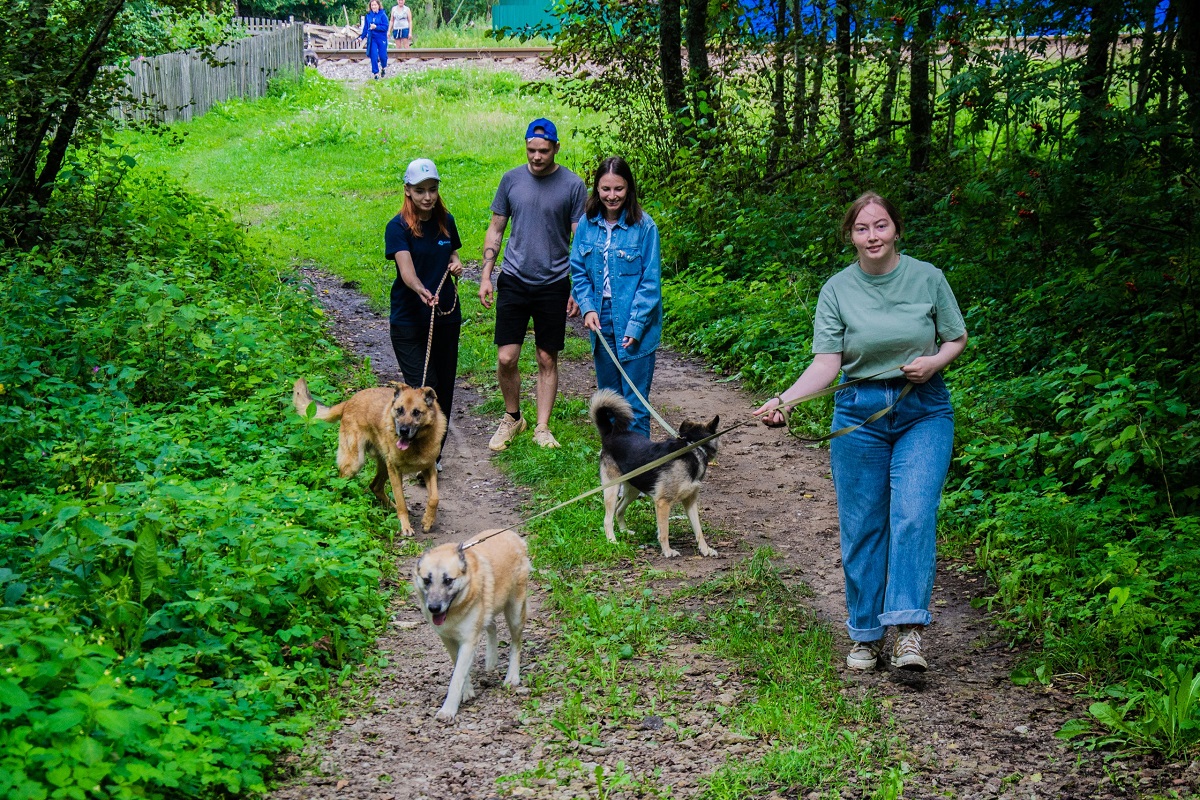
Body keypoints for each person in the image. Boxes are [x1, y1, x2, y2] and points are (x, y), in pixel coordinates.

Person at [755, 192, 968, 673]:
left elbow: (957, 338)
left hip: (924, 409)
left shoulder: (928, 278)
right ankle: (867, 634)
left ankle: (908, 633)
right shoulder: (837, 289)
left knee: (913, 514)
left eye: (881, 225)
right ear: (850, 236)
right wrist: (785, 400)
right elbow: (827, 363)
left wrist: (934, 362)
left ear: (897, 229)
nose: (873, 236)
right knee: (863, 523)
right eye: (861, 228)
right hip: (858, 414)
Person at [480, 118, 587, 451]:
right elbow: (496, 228)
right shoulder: (511, 180)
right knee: (506, 357)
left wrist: (578, 288)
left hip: (553, 282)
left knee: (546, 358)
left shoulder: (573, 185)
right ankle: (513, 417)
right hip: (514, 278)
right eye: (531, 150)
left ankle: (542, 427)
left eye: (543, 151)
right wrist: (485, 275)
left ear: (556, 148)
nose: (537, 157)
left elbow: (581, 239)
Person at [569, 157, 662, 439]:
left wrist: (635, 326)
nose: (612, 196)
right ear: (596, 189)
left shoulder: (645, 227)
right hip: (601, 319)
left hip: (636, 321)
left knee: (635, 406)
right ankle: (613, 463)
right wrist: (587, 308)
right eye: (606, 189)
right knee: (609, 403)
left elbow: (650, 284)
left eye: (618, 189)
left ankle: (640, 466)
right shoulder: (586, 225)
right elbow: (578, 271)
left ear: (629, 188)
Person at [385, 157, 464, 464]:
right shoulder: (397, 227)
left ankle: (433, 455)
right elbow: (407, 271)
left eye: (432, 189)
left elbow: (452, 254)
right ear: (408, 190)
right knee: (425, 384)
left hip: (445, 316)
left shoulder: (446, 220)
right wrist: (420, 289)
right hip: (408, 319)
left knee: (443, 387)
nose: (428, 197)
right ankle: (415, 449)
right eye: (420, 191)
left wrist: (456, 265)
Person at [360, 0, 390, 79]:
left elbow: (385, 27)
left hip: (381, 38)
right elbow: (365, 28)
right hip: (372, 38)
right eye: (372, 5)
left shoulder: (383, 15)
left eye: (375, 5)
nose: (373, 7)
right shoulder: (368, 16)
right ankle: (375, 73)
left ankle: (383, 67)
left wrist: (376, 27)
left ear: (378, 5)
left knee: (383, 56)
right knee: (374, 55)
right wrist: (361, 37)